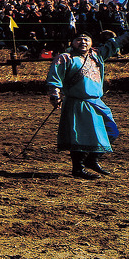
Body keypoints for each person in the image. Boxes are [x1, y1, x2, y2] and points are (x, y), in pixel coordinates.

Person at [46, 30, 129, 179]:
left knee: (112, 131)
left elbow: (115, 43)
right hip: (77, 103)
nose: (83, 42)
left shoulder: (97, 55)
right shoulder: (65, 58)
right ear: (72, 42)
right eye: (79, 39)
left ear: (91, 42)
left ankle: (92, 159)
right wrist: (55, 95)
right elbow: (55, 77)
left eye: (86, 39)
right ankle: (78, 169)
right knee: (80, 137)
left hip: (97, 102)